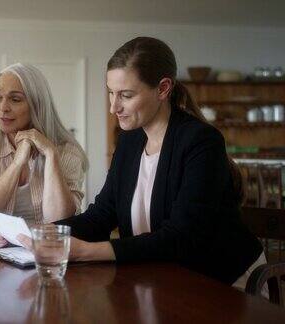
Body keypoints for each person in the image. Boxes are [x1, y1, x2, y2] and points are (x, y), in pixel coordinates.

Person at [15, 37, 264, 286]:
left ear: (163, 88)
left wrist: (84, 251)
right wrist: (36, 233)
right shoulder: (129, 142)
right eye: (111, 93)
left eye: (126, 95)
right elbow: (101, 216)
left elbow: (181, 237)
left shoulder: (201, 141)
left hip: (223, 281)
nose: (114, 107)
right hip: (162, 277)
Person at [0, 63, 88, 236]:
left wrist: (51, 156)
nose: (3, 108)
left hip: (47, 253)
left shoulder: (67, 152)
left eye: (15, 99)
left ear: (37, 105)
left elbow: (60, 223)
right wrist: (17, 164)